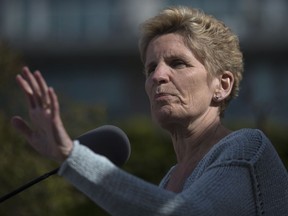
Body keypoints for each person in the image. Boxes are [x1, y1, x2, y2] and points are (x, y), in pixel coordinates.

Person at [11, 6, 288, 216]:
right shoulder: (168, 180)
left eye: (178, 63)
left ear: (222, 85)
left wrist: (72, 156)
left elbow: (185, 212)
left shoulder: (248, 148)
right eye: (151, 68)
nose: (158, 76)